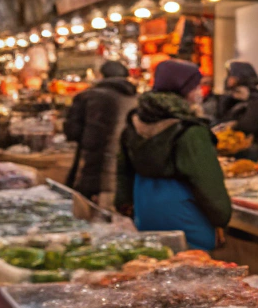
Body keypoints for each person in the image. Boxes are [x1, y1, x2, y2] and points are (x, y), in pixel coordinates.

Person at [114, 59, 231, 252]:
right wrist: (221, 219)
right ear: (184, 89)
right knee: (193, 274)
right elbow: (208, 181)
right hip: (186, 216)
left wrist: (124, 206)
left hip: (145, 211)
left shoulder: (134, 124)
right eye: (196, 86)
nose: (200, 92)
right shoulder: (190, 131)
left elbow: (123, 171)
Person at [63, 61, 137, 201]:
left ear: (101, 75)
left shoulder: (87, 97)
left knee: (85, 211)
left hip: (92, 166)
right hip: (124, 170)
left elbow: (72, 132)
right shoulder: (134, 99)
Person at [212, 61, 258, 160]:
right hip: (227, 149)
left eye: (231, 75)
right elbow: (220, 117)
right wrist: (228, 98)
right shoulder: (231, 100)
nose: (228, 79)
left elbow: (248, 125)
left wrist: (248, 101)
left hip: (250, 152)